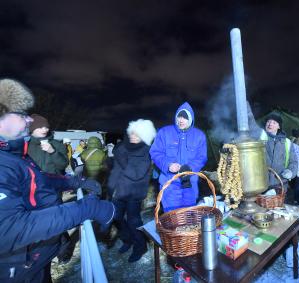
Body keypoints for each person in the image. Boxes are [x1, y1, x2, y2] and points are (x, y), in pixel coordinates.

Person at [0, 78, 115, 282]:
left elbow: (38, 178)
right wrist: (85, 209)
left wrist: (75, 182)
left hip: (31, 259)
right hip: (14, 268)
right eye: (22, 115)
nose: (29, 120)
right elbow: (7, 228)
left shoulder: (13, 154)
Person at [107, 119, 156, 262]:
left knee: (133, 221)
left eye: (137, 134)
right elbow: (115, 164)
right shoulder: (123, 147)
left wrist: (120, 158)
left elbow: (136, 174)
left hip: (134, 192)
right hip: (119, 190)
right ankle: (127, 240)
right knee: (116, 218)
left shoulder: (146, 151)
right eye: (132, 133)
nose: (133, 136)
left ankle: (140, 247)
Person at [150, 102, 207, 212]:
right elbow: (155, 152)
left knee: (189, 217)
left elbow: (202, 157)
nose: (181, 120)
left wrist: (190, 168)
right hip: (169, 185)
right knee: (173, 218)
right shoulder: (164, 132)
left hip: (190, 185)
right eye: (179, 116)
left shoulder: (199, 135)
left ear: (191, 118)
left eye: (185, 117)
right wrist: (168, 165)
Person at [260, 113, 298, 189]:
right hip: (261, 184)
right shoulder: (258, 139)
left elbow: (293, 161)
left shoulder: (287, 142)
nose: (270, 124)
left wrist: (290, 172)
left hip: (280, 183)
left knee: (278, 201)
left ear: (279, 126)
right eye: (268, 122)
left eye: (274, 123)